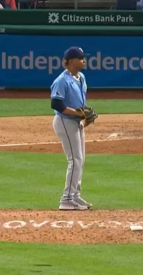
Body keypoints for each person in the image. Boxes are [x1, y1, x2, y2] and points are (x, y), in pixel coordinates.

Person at [51, 47, 93, 211]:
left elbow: (79, 103)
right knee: (74, 160)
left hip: (76, 122)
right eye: (80, 58)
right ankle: (66, 198)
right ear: (71, 61)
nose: (83, 60)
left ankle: (74, 195)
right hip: (65, 122)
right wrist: (76, 113)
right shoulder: (62, 81)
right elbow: (56, 104)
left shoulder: (81, 77)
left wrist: (82, 116)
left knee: (80, 160)